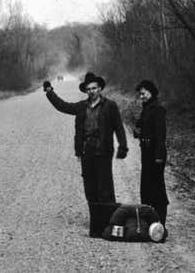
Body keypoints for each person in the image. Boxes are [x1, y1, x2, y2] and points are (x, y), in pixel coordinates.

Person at [43, 72, 128, 236]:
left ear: (100, 88)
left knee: (105, 186)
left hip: (103, 151)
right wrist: (49, 92)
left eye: (94, 88)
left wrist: (123, 146)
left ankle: (110, 221)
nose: (92, 91)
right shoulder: (81, 107)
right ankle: (96, 220)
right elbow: (63, 106)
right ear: (86, 91)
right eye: (89, 89)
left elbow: (118, 127)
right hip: (86, 151)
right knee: (90, 187)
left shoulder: (110, 106)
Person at [134, 79, 169, 226]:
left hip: (156, 154)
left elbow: (161, 134)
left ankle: (160, 223)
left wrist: (159, 156)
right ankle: (149, 222)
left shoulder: (158, 109)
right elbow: (142, 130)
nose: (141, 96)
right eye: (140, 94)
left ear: (151, 91)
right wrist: (137, 131)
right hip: (146, 153)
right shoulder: (146, 108)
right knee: (146, 188)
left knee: (158, 189)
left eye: (143, 93)